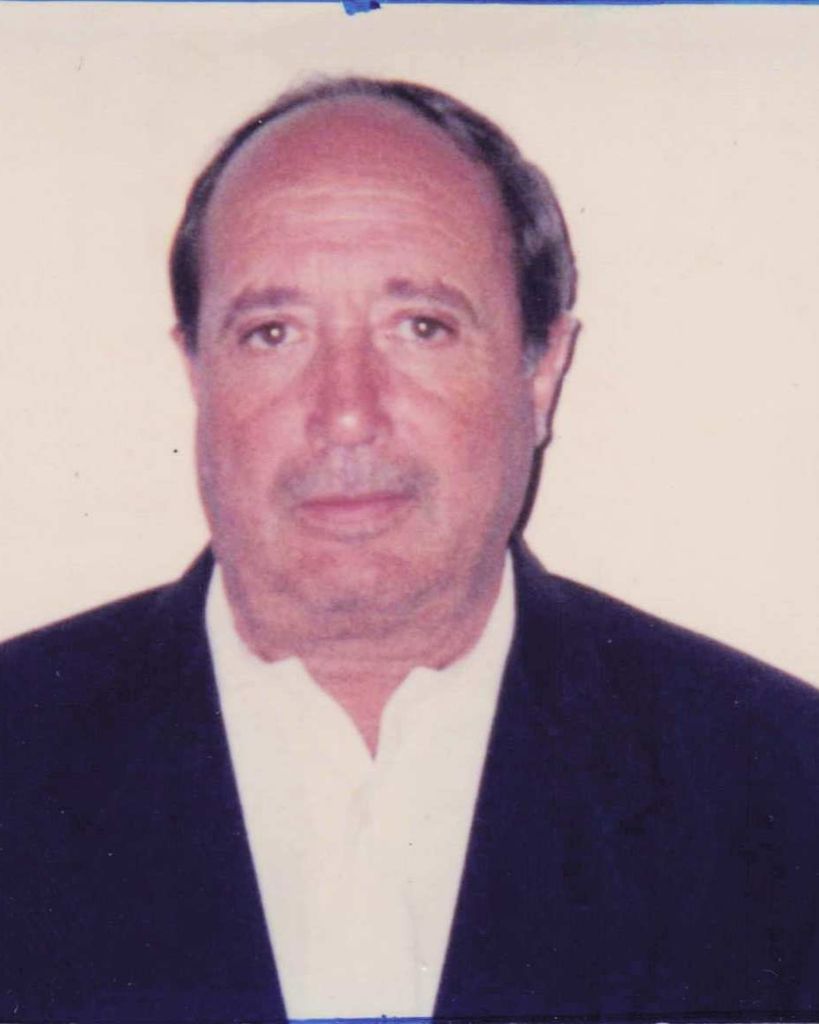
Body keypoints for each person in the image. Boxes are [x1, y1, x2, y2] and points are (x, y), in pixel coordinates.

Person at [2, 76, 818, 1023]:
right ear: (197, 372)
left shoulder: (780, 793)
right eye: (272, 333)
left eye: (421, 327)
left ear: (541, 372)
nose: (346, 412)